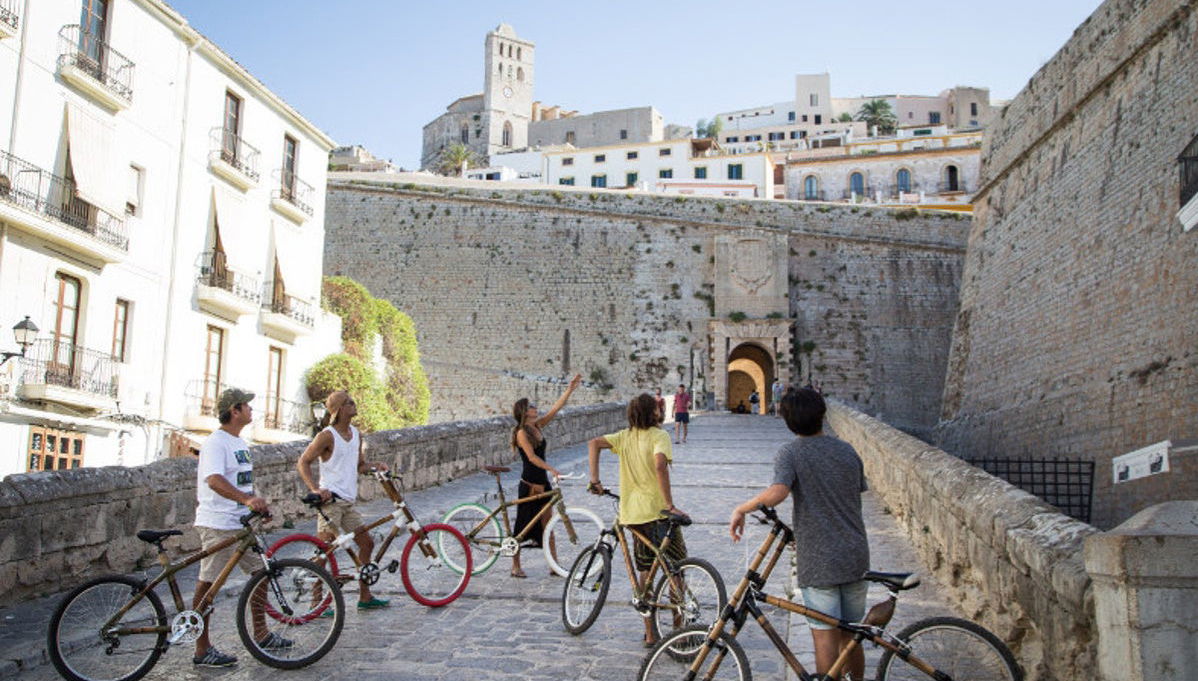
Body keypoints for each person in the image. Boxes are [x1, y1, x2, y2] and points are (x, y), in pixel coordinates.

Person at [728, 388, 869, 681]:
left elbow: (778, 492)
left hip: (819, 559)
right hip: (856, 554)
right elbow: (853, 493)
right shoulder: (848, 450)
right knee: (852, 636)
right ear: (822, 414)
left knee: (825, 637)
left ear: (788, 421)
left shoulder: (791, 452)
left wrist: (742, 508)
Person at [588, 393, 687, 647]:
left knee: (645, 571)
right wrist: (669, 505)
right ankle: (679, 627)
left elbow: (594, 443)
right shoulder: (659, 436)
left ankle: (650, 633)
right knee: (676, 569)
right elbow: (660, 466)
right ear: (653, 412)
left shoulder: (624, 437)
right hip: (658, 513)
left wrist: (595, 480)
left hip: (634, 516)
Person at [192, 388, 280, 667]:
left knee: (261, 573)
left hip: (239, 523)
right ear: (235, 410)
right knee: (209, 584)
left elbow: (241, 482)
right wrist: (246, 499)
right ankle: (201, 648)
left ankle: (262, 634)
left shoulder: (239, 443)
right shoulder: (216, 442)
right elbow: (214, 480)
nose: (252, 410)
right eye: (247, 406)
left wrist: (256, 506)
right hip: (218, 522)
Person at [296, 390, 391, 610]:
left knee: (366, 543)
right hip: (330, 502)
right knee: (324, 551)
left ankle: (365, 597)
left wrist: (376, 466)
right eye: (349, 402)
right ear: (339, 410)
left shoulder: (356, 434)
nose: (354, 404)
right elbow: (303, 462)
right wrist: (315, 489)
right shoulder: (327, 436)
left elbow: (359, 466)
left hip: (348, 502)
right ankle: (316, 603)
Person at [510, 373, 583, 578]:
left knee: (548, 525)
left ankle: (554, 565)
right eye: (531, 406)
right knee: (522, 526)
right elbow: (531, 457)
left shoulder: (537, 426)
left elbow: (555, 409)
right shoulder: (521, 433)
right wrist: (551, 469)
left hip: (542, 482)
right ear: (525, 412)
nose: (535, 408)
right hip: (530, 483)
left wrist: (570, 389)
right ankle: (515, 566)